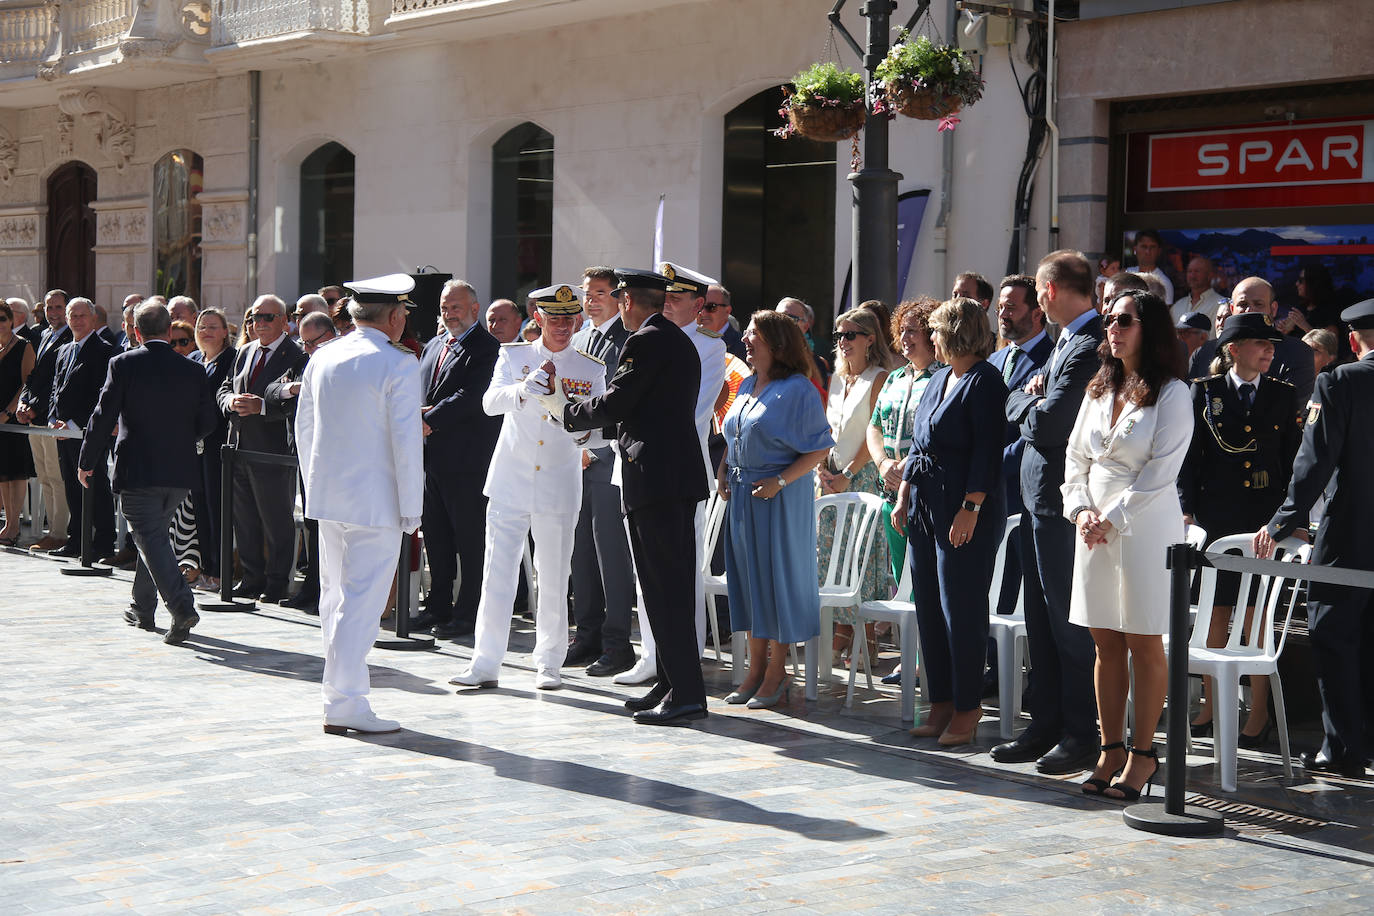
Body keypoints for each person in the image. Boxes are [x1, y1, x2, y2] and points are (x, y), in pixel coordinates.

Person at [550, 268, 709, 726]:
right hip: (667, 479)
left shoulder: (646, 341)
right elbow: (641, 410)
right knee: (665, 588)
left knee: (665, 589)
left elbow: (618, 402)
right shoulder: (673, 338)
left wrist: (566, 412)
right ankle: (674, 682)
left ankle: (686, 694)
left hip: (657, 481)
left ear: (625, 302)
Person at [1064, 289, 1191, 800]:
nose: (1112, 328)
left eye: (1125, 320)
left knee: (1143, 640)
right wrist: (1080, 511)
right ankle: (1109, 747)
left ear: (1150, 328)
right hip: (1092, 528)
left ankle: (1144, 754)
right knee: (1105, 641)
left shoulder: (1173, 393)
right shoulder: (1097, 388)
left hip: (1144, 529)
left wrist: (1110, 519)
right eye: (1110, 320)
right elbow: (1074, 459)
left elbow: (1161, 474)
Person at [449, 284, 607, 692]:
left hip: (558, 482)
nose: (561, 327)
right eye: (553, 319)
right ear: (537, 319)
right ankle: (485, 662)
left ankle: (549, 663)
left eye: (568, 320)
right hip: (511, 480)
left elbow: (601, 431)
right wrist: (523, 390)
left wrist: (580, 436)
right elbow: (489, 403)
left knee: (553, 577)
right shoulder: (513, 355)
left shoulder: (591, 368)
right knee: (496, 574)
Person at [294, 274, 423, 735]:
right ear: (392, 316)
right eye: (403, 312)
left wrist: (313, 489)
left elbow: (303, 428)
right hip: (377, 501)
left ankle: (338, 694)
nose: (403, 319)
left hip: (330, 498)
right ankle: (346, 700)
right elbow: (407, 441)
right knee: (361, 604)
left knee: (336, 599)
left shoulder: (324, 356)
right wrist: (412, 506)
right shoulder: (397, 362)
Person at [993, 250, 1104, 775]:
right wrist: (1027, 398)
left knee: (1066, 623)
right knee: (1039, 620)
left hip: (1064, 505)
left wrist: (1021, 401)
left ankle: (1082, 732)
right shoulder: (1065, 342)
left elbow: (1050, 424)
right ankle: (1046, 723)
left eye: (1038, 290)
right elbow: (1031, 407)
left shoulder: (1087, 343)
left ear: (1050, 291)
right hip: (1041, 503)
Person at [1253, 298, 1374, 778]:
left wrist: (1285, 518)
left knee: (1333, 634)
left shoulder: (1341, 381)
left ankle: (1344, 747)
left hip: (1353, 529)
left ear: (1351, 340)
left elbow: (1315, 460)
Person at [1179, 312, 1301, 746]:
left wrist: (1292, 521)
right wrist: (1187, 513)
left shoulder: (1284, 397)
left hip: (1264, 521)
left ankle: (1259, 711)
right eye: (1259, 343)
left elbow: (1292, 465)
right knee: (1216, 612)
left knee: (1255, 617)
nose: (1270, 350)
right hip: (1217, 518)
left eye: (1272, 344)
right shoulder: (1204, 395)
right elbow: (1189, 460)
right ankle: (1213, 703)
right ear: (1233, 349)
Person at [892, 298, 1006, 746]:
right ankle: (939, 700)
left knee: (960, 609)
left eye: (936, 331)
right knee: (929, 609)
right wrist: (903, 494)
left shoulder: (985, 381)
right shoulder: (939, 377)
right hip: (923, 505)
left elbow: (987, 451)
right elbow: (920, 446)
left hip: (963, 510)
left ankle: (967, 706)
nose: (931, 338)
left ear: (957, 332)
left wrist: (971, 507)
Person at [76, 302, 218, 644]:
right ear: (170, 332)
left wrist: (86, 461)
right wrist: (183, 441)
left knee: (151, 539)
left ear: (136, 333)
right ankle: (142, 607)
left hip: (138, 470)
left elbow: (102, 415)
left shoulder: (123, 363)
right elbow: (209, 421)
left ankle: (182, 606)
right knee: (151, 537)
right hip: (179, 471)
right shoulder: (193, 370)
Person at [718, 310, 833, 708]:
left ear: (777, 344)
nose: (746, 341)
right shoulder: (748, 383)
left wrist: (780, 481)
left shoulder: (798, 388)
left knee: (776, 580)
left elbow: (820, 446)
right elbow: (735, 432)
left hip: (779, 498)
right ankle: (754, 669)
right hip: (742, 493)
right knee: (749, 581)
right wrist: (723, 469)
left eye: (755, 337)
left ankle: (777, 671)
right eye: (747, 334)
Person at [416, 279, 501, 638]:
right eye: (445, 307)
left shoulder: (487, 347)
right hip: (430, 460)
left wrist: (428, 419)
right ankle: (437, 605)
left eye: (457, 307)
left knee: (470, 540)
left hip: (468, 461)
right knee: (436, 536)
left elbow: (473, 395)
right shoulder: (434, 345)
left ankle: (468, 613)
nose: (450, 313)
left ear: (474, 310)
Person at [566, 266, 637, 677]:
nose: (590, 299)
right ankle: (586, 636)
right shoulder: (578, 339)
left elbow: (616, 401)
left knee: (611, 555)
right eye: (586, 292)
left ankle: (616, 643)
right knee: (581, 555)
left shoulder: (626, 339)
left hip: (608, 459)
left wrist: (593, 449)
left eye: (600, 292)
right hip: (574, 460)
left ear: (618, 297)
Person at [819, 306, 896, 664]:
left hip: (862, 477)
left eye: (850, 335)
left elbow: (874, 431)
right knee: (832, 560)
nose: (843, 342)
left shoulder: (880, 377)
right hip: (831, 478)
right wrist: (822, 468)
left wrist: (847, 473)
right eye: (839, 336)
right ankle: (841, 634)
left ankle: (867, 642)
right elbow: (826, 430)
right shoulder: (836, 379)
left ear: (870, 338)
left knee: (861, 560)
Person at [216, 294, 304, 603]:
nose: (259, 323)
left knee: (276, 520)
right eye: (254, 317)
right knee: (245, 519)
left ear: (284, 321)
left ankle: (277, 581)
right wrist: (230, 402)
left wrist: (262, 406)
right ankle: (251, 578)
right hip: (239, 447)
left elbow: (298, 403)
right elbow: (225, 387)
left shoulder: (297, 356)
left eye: (268, 317)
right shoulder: (244, 351)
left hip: (273, 451)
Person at [264, 310, 337, 612]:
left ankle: (325, 589)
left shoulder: (340, 362)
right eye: (303, 342)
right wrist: (293, 388)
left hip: (334, 458)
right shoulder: (302, 362)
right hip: (305, 455)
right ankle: (312, 588)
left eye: (312, 342)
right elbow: (271, 392)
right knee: (311, 523)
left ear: (330, 335)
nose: (306, 349)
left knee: (329, 526)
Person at [867, 298, 941, 588]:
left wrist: (908, 467)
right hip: (889, 491)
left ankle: (926, 636)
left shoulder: (943, 377)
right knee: (901, 581)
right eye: (902, 330)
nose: (904, 338)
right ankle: (907, 637)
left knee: (926, 584)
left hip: (923, 493)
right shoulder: (895, 377)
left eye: (912, 331)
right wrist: (883, 464)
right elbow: (874, 426)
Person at [49, 297, 116, 561]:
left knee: (96, 485)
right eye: (72, 316)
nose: (77, 320)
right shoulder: (64, 350)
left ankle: (103, 542)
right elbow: (56, 388)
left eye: (81, 316)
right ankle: (76, 539)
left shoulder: (104, 351)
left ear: (92, 319)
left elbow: (100, 394)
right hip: (63, 431)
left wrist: (76, 423)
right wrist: (54, 418)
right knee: (71, 485)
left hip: (88, 431)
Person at [1189, 277, 1315, 407]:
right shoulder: (1205, 352)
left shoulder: (1297, 352)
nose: (1249, 310)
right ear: (1232, 309)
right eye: (1242, 305)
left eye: (1258, 304)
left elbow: (1288, 411)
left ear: (1273, 309)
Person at [15, 290, 72, 551]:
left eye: (58, 307)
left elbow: (58, 384)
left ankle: (60, 532)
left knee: (56, 476)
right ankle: (53, 531)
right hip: (34, 417)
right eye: (49, 307)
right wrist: (23, 403)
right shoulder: (43, 335)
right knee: (44, 475)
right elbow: (34, 376)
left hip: (52, 419)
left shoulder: (71, 338)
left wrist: (37, 409)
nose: (53, 313)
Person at [189, 307, 236, 590]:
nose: (206, 331)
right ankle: (206, 569)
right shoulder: (194, 360)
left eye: (212, 326)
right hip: (194, 445)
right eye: (202, 326)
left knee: (217, 508)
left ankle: (221, 572)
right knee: (200, 510)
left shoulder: (231, 359)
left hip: (219, 445)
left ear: (224, 333)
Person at [0, 300, 36, 545]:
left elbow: (27, 383)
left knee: (16, 473)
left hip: (14, 419)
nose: (0, 325)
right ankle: (8, 522)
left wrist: (8, 411)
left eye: (2, 319)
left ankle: (15, 526)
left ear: (11, 320)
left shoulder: (24, 346)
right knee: (2, 474)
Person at [1172, 256, 1225, 326]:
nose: (1192, 276)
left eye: (1197, 271)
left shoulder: (1221, 305)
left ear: (1209, 275)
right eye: (1189, 271)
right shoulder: (1177, 306)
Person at [1127, 229, 1174, 303]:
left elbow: (1165, 313)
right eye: (1144, 246)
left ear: (1159, 251)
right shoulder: (1126, 274)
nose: (1148, 251)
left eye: (1152, 247)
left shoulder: (1164, 283)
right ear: (1135, 249)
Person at [700, 283, 746, 361]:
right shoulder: (689, 339)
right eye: (700, 306)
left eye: (711, 307)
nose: (703, 312)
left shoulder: (742, 346)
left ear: (727, 311)